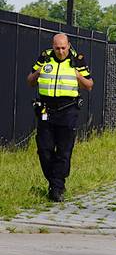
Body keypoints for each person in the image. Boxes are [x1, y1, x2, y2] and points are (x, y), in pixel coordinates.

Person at [27, 33, 93, 202]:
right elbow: (30, 81)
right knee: (44, 149)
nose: (60, 51)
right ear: (53, 46)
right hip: (46, 109)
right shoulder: (45, 57)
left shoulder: (77, 60)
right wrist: (37, 73)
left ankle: (56, 187)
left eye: (63, 48)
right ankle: (54, 181)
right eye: (57, 48)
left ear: (68, 46)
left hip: (68, 109)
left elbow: (89, 85)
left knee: (64, 150)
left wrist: (78, 76)